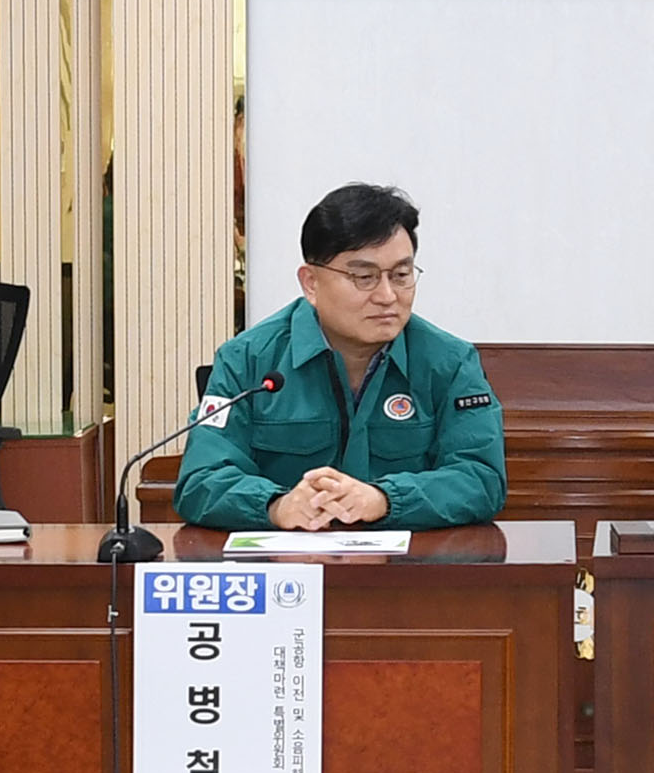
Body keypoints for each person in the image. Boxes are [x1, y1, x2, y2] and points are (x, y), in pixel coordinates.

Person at [175, 185, 510, 532]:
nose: (387, 295)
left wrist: (384, 500)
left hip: (405, 575)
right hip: (288, 575)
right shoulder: (246, 360)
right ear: (311, 283)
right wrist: (276, 505)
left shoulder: (450, 363)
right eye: (364, 277)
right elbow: (201, 480)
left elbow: (481, 477)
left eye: (401, 275)